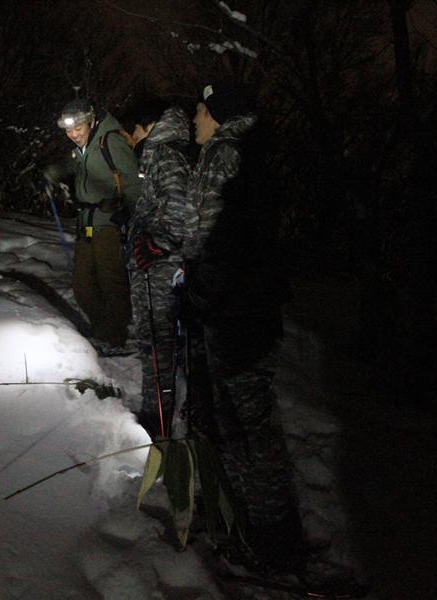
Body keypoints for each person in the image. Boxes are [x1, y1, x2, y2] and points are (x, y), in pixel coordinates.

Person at [181, 80, 303, 575]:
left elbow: (212, 238)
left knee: (247, 426)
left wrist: (197, 293)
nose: (194, 120)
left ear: (219, 114)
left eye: (200, 112)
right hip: (251, 308)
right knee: (246, 424)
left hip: (234, 314)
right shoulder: (255, 155)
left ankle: (272, 541)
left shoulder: (224, 155)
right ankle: (258, 529)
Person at [43, 99, 140, 349]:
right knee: (82, 283)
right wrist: (54, 172)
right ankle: (103, 328)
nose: (73, 135)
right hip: (86, 222)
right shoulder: (84, 147)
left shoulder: (111, 142)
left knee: (111, 281)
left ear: (91, 121)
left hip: (110, 222)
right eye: (68, 130)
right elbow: (75, 163)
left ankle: (115, 336)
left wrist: (127, 212)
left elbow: (133, 182)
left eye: (78, 128)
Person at [127, 104, 195, 438]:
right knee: (153, 339)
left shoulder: (165, 156)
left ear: (151, 126)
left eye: (136, 132)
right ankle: (154, 411)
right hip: (153, 265)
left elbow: (178, 210)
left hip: (161, 267)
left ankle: (158, 418)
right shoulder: (158, 155)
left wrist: (155, 244)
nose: (132, 139)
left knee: (159, 341)